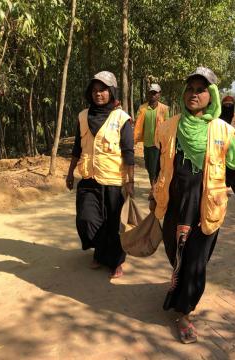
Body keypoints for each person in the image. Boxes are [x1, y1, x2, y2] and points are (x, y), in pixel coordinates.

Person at [150, 67, 235, 344]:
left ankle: (184, 314)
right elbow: (159, 166)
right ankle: (181, 285)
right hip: (175, 205)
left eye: (201, 90)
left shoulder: (224, 131)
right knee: (176, 254)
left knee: (196, 262)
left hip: (206, 207)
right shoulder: (168, 127)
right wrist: (154, 194)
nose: (194, 94)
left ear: (211, 96)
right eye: (190, 89)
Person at [66, 71, 134, 279]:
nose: (98, 94)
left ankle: (115, 261)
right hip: (88, 178)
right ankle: (99, 249)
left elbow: (128, 151)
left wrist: (130, 181)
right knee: (87, 219)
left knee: (113, 223)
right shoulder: (83, 116)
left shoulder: (122, 118)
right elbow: (77, 147)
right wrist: (70, 172)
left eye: (103, 90)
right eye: (94, 90)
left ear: (111, 92)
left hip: (113, 179)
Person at [134, 84, 169, 184]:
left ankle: (154, 189)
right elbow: (138, 124)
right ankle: (153, 186)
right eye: (151, 93)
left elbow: (167, 126)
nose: (153, 95)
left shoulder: (164, 109)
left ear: (159, 95)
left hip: (158, 144)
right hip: (146, 144)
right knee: (148, 167)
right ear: (148, 94)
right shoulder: (142, 108)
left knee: (155, 168)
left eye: (155, 93)